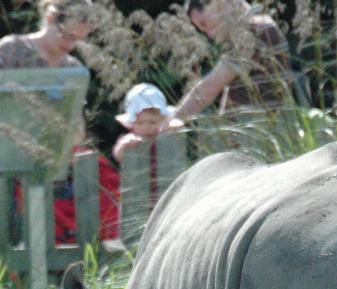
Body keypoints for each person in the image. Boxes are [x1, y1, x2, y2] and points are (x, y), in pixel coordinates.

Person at [0, 0, 120, 247]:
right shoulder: (11, 50)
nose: (70, 45)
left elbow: (78, 130)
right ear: (50, 18)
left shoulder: (73, 68)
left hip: (57, 162)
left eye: (78, 39)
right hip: (8, 160)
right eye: (67, 35)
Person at [166, 0, 294, 125]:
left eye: (204, 24)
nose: (209, 35)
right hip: (263, 127)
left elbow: (209, 88)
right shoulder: (259, 26)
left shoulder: (250, 33)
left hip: (260, 130)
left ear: (219, 4)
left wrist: (171, 122)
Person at [111, 82, 172, 165]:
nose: (146, 127)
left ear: (161, 120)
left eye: (152, 122)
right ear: (132, 123)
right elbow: (118, 156)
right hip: (140, 176)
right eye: (140, 123)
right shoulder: (131, 139)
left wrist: (175, 129)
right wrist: (123, 146)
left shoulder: (164, 135)